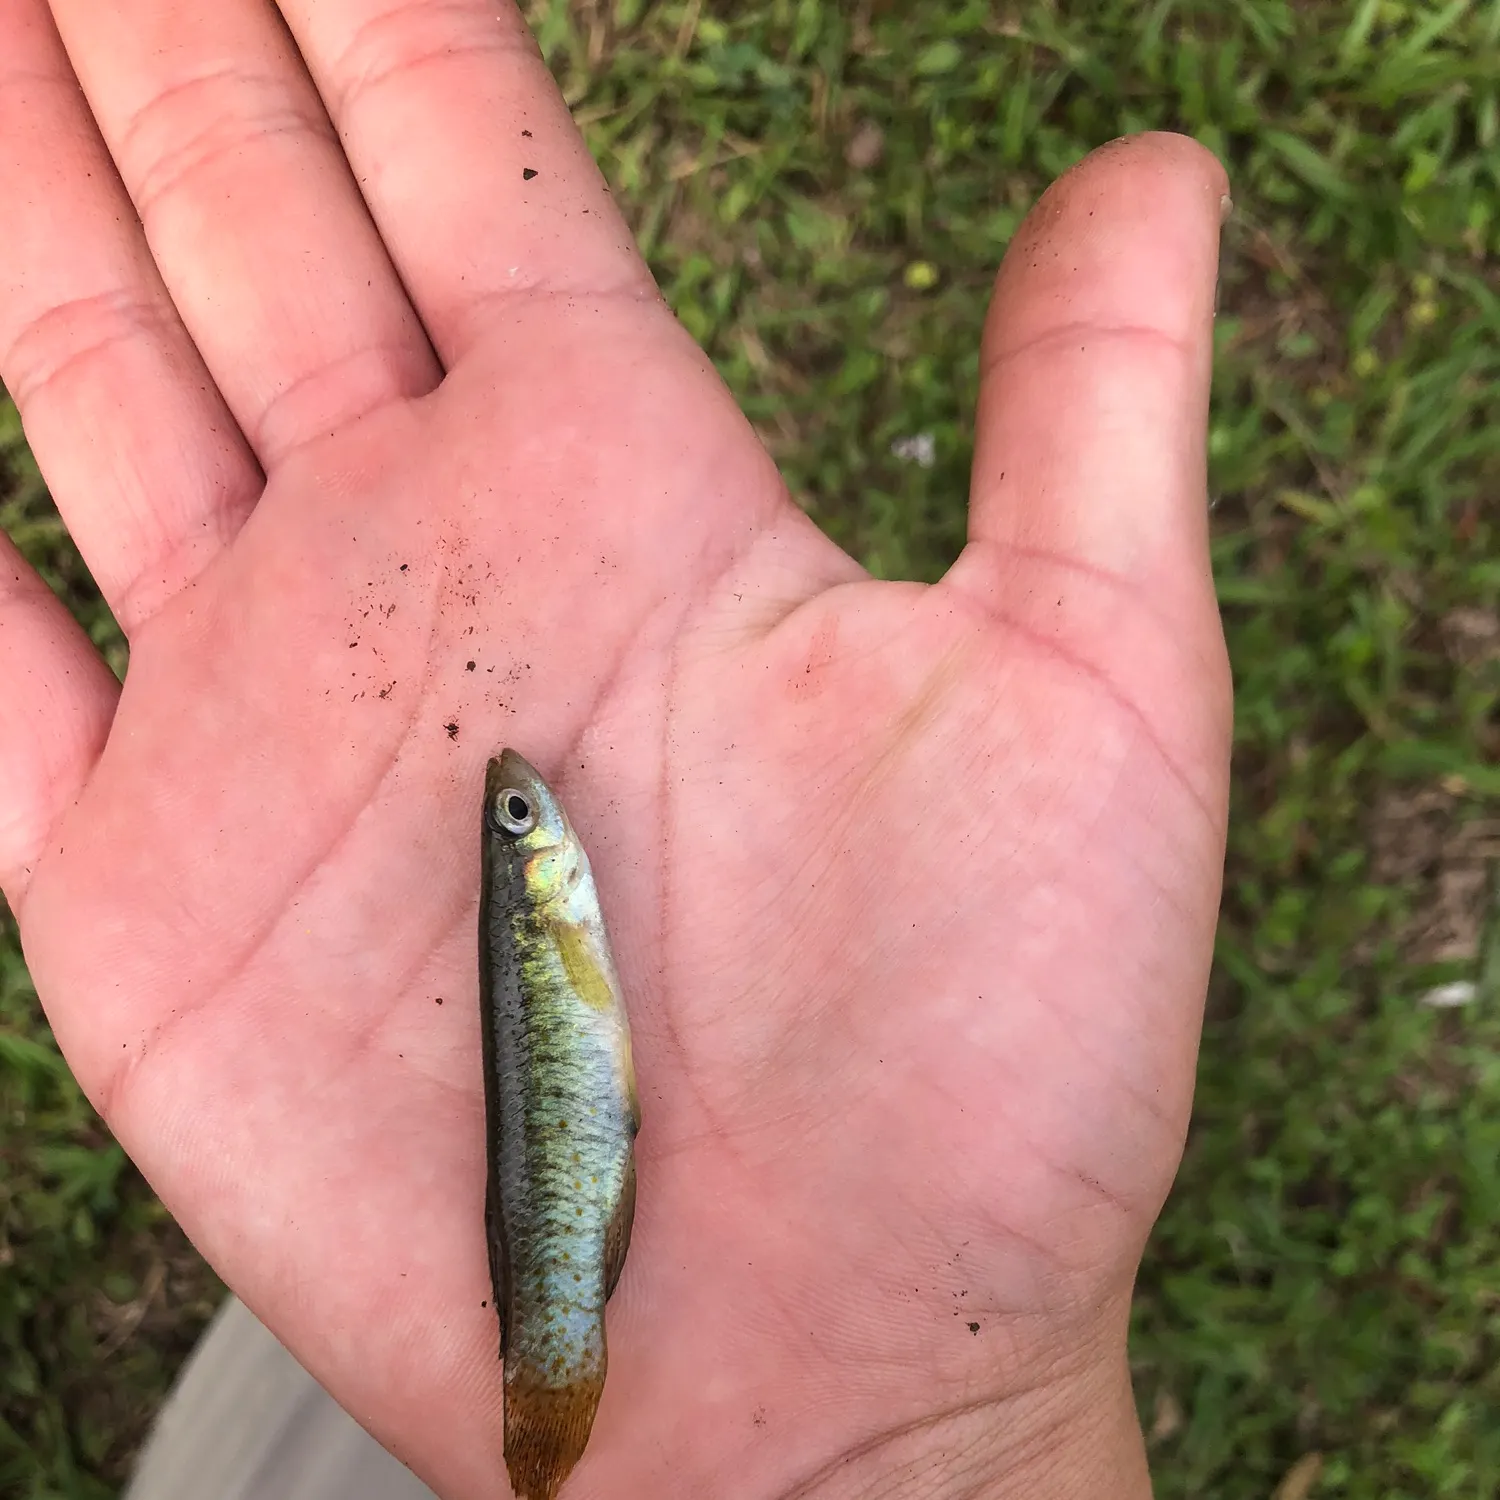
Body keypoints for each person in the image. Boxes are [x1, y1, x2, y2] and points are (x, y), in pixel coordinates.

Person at [0, 3, 1232, 1497]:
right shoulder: (546, 891)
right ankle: (542, 1380)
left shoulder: (543, 900)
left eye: (517, 819)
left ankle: (540, 1385)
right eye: (523, 820)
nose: (530, 815)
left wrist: (933, 1435)